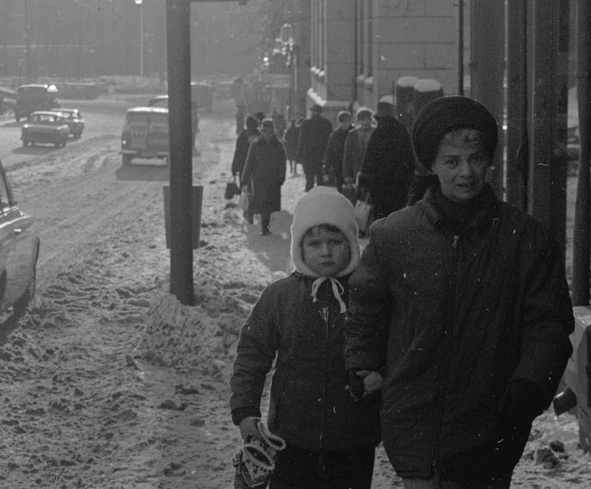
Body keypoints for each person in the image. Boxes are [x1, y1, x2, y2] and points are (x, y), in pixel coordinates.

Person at [345, 96, 574, 488]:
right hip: (413, 423)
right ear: (431, 165)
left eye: (476, 158)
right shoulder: (394, 236)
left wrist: (528, 387)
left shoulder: (525, 240)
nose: (466, 172)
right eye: (452, 161)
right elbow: (366, 309)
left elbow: (549, 327)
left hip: (491, 427)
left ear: (489, 159)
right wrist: (363, 365)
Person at [231, 187, 381, 489]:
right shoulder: (280, 297)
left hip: (353, 441)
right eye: (314, 244)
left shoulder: (369, 295)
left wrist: (382, 374)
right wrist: (246, 413)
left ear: (351, 242)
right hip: (291, 440)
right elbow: (252, 354)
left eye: (335, 241)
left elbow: (395, 345)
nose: (325, 252)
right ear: (300, 247)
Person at [356, 100, 415, 223]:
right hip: (400, 184)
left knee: (381, 218)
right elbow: (409, 158)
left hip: (380, 186)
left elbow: (369, 160)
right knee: (398, 215)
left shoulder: (378, 133)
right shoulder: (402, 131)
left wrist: (364, 182)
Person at [241, 118, 286, 235]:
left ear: (273, 131)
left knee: (269, 205)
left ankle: (266, 228)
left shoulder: (278, 145)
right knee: (262, 204)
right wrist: (245, 179)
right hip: (259, 180)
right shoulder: (255, 145)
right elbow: (249, 162)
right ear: (261, 131)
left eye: (269, 130)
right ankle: (265, 228)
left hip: (273, 180)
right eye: (264, 130)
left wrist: (281, 177)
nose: (267, 133)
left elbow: (282, 163)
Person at [232, 115, 261, 224]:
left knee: (245, 190)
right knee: (254, 190)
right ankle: (252, 210)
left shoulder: (242, 136)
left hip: (243, 167)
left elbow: (237, 153)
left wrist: (234, 168)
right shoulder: (259, 136)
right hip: (256, 168)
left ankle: (247, 211)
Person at [298, 104, 333, 191]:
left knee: (309, 179)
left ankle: (310, 198)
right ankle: (319, 199)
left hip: (309, 155)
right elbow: (330, 141)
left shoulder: (307, 123)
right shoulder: (327, 123)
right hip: (322, 155)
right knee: (320, 180)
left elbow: (302, 140)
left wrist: (299, 155)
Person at [342, 108, 374, 193]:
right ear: (359, 121)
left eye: (368, 119)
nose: (366, 122)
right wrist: (347, 174)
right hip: (356, 172)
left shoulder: (376, 132)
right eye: (363, 120)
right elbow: (347, 155)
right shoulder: (352, 134)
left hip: (372, 172)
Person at [322, 110, 352, 189]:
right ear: (338, 122)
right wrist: (326, 169)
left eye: (346, 121)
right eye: (342, 122)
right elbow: (329, 152)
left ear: (350, 121)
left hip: (352, 167)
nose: (344, 124)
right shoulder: (335, 135)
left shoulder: (354, 133)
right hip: (338, 167)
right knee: (340, 190)